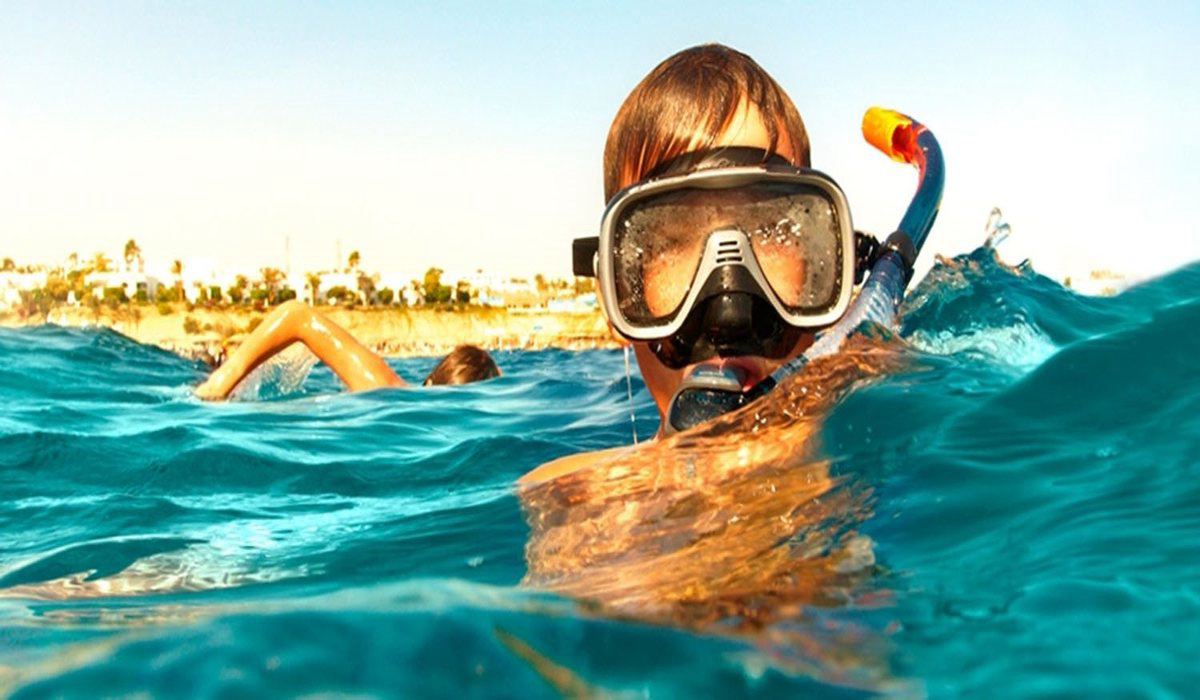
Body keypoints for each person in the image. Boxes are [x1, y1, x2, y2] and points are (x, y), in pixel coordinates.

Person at [520, 43, 848, 483]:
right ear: (616, 293)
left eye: (771, 232)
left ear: (823, 265)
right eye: (670, 243)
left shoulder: (882, 438)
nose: (728, 312)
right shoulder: (574, 499)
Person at [194, 299, 499, 399]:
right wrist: (223, 379)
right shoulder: (388, 390)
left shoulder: (392, 394)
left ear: (430, 382)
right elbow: (298, 315)